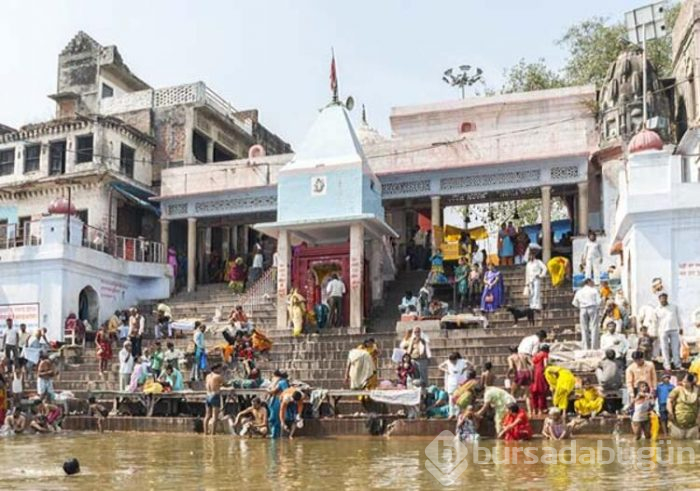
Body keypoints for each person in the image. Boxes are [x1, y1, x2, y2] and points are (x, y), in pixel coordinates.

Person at [667, 373, 700, 439]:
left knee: (693, 446)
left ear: (690, 383)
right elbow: (669, 401)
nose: (683, 382)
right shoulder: (677, 389)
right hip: (677, 424)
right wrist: (670, 412)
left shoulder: (697, 391)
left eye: (686, 381)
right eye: (683, 381)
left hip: (693, 425)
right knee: (676, 446)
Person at [572, 278, 602, 350]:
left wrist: (581, 306)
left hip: (583, 309)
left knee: (584, 328)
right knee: (594, 327)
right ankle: (594, 347)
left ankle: (585, 347)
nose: (593, 284)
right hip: (592, 307)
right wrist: (596, 307)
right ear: (588, 282)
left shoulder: (579, 291)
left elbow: (574, 303)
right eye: (592, 282)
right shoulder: (594, 290)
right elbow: (599, 301)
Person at [655, 293, 682, 370]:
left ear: (667, 298)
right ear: (659, 299)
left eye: (664, 298)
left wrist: (681, 327)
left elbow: (678, 317)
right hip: (663, 330)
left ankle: (677, 365)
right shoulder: (657, 309)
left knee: (675, 348)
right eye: (661, 299)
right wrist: (656, 333)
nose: (663, 300)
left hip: (674, 329)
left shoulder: (674, 307)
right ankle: (667, 365)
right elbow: (655, 322)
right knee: (664, 348)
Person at [438, 352, 469, 416]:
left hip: (459, 382)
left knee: (458, 398)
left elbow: (470, 364)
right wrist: (446, 370)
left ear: (456, 359)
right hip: (451, 383)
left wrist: (464, 369)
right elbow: (439, 366)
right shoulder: (448, 361)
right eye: (451, 361)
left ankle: (457, 413)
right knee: (451, 398)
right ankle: (451, 414)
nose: (452, 362)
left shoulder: (461, 361)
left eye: (453, 361)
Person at [506, 347, 532, 412]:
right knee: (527, 395)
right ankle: (530, 412)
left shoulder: (511, 357)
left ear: (510, 351)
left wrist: (507, 374)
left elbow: (511, 367)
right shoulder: (524, 355)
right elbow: (533, 364)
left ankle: (512, 410)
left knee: (512, 393)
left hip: (519, 373)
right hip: (527, 373)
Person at [267, 370, 290, 439]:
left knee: (274, 419)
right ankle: (275, 435)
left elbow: (273, 391)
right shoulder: (284, 382)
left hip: (277, 401)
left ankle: (275, 435)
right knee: (274, 419)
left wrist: (268, 390)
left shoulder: (281, 382)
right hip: (276, 401)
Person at [203, 364, 223, 436]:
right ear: (215, 369)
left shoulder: (207, 376)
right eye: (219, 369)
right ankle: (213, 434)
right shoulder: (218, 376)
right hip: (214, 395)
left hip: (208, 395)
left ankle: (205, 433)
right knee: (215, 416)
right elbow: (225, 384)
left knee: (207, 415)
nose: (220, 370)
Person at [530, 345, 550, 416]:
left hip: (534, 373)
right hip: (541, 373)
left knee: (534, 393)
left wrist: (532, 375)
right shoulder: (545, 354)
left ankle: (534, 410)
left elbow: (532, 366)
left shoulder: (535, 355)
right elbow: (545, 364)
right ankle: (540, 410)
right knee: (541, 392)